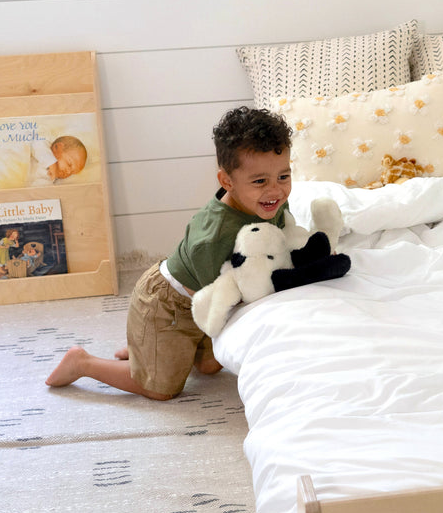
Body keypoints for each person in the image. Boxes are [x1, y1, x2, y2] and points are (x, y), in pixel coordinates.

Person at [46, 107, 293, 400]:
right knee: (160, 389)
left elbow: (283, 242)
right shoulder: (211, 237)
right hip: (169, 305)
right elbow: (217, 301)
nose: (275, 190)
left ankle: (148, 349)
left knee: (210, 366)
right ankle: (84, 362)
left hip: (201, 305)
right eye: (260, 181)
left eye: (283, 176)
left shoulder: (272, 206)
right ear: (227, 182)